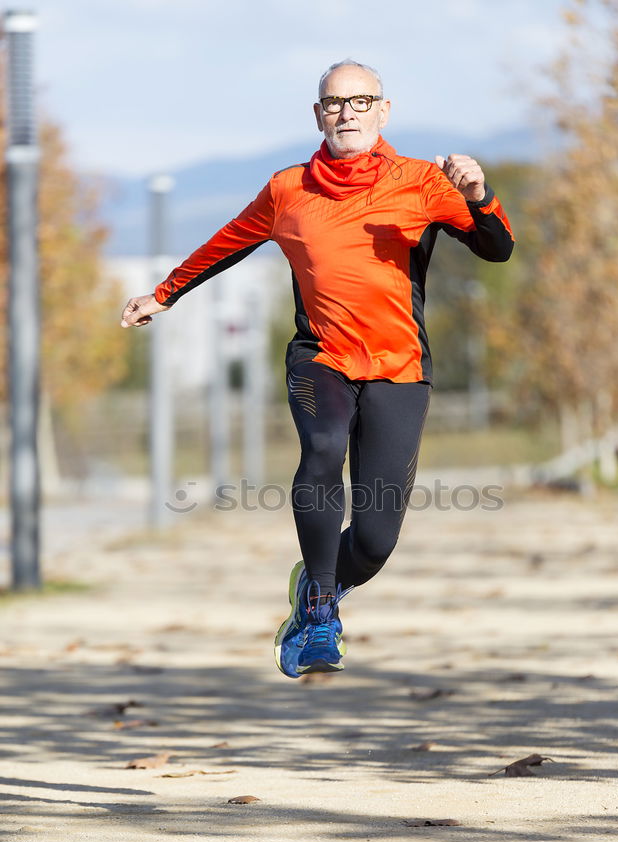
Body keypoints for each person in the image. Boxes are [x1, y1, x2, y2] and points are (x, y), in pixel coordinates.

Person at [121, 59, 514, 679]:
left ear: (384, 111)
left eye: (361, 102)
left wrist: (477, 195)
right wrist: (163, 294)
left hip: (399, 366)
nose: (347, 113)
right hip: (321, 358)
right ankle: (323, 610)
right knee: (323, 446)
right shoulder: (287, 190)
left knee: (377, 540)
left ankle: (314, 583)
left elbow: (498, 248)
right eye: (335, 103)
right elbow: (227, 243)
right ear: (317, 115)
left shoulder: (422, 183)